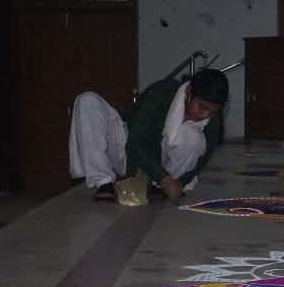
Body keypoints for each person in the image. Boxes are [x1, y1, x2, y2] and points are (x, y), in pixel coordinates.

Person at [69, 68, 229, 202]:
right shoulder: (161, 92)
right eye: (202, 107)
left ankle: (158, 186)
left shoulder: (212, 117)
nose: (204, 115)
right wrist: (163, 177)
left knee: (195, 139)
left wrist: (180, 182)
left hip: (162, 168)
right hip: (125, 151)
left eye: (211, 112)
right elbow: (133, 143)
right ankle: (104, 183)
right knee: (87, 100)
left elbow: (204, 156)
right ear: (189, 92)